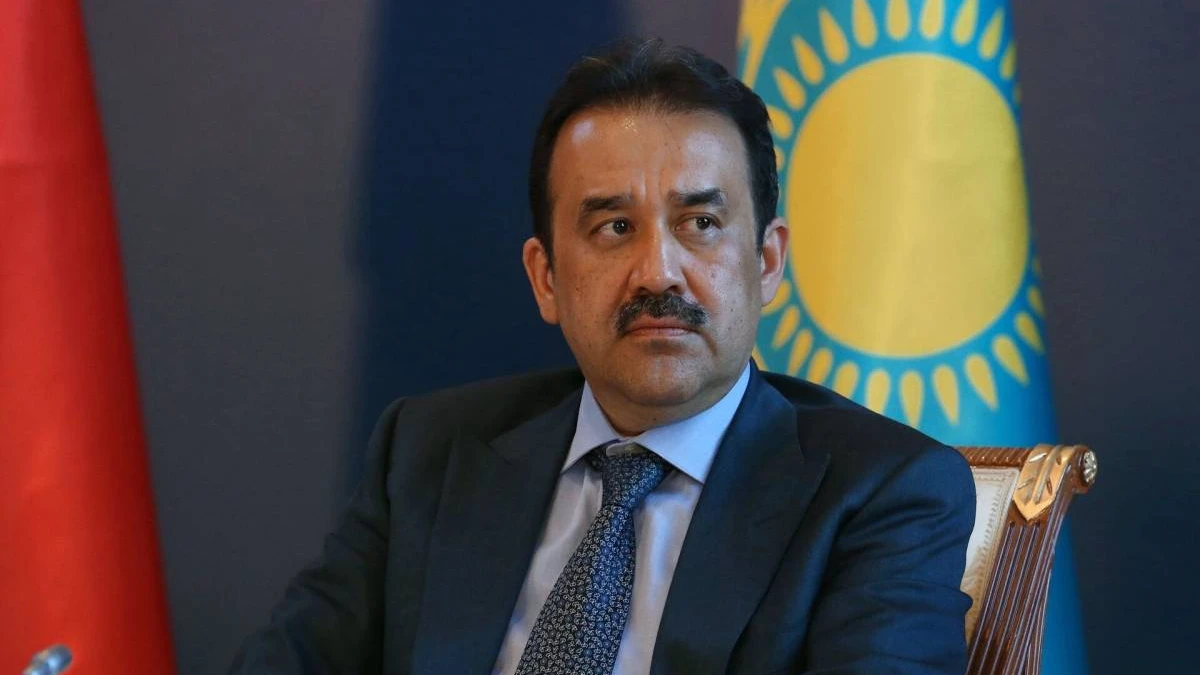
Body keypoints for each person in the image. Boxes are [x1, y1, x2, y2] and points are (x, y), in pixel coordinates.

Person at [229, 39, 975, 675]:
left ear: (767, 262)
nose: (658, 272)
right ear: (546, 278)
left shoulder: (881, 493)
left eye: (701, 222)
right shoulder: (429, 453)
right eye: (615, 227)